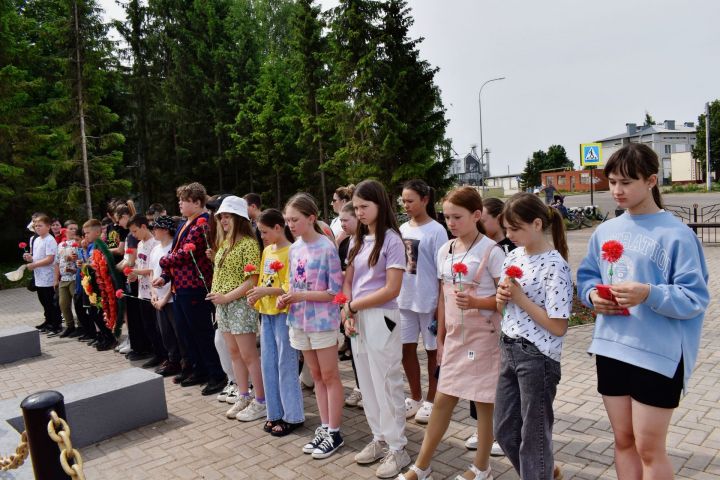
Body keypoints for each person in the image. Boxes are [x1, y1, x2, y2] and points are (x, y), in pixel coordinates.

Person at [577, 144, 709, 480]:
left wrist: (648, 293)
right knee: (623, 440)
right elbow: (588, 276)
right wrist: (593, 296)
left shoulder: (677, 234)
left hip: (658, 355)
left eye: (626, 182)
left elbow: (695, 297)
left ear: (651, 181)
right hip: (611, 348)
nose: (617, 190)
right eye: (612, 182)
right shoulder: (605, 230)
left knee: (650, 448)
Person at [399, 186, 504, 480]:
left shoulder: (492, 251)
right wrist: (441, 336)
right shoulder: (447, 248)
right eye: (447, 217)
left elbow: (505, 300)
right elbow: (446, 296)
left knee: (484, 403)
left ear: (477, 215)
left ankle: (481, 468)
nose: (451, 223)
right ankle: (421, 466)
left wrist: (477, 302)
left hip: (484, 337)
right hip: (455, 339)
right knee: (443, 400)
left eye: (457, 217)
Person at [495, 192, 572, 480]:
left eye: (515, 228)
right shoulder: (513, 256)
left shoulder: (555, 265)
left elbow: (559, 326)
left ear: (537, 224)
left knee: (534, 436)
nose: (509, 235)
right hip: (509, 348)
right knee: (504, 431)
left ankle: (541, 472)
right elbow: (500, 307)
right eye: (507, 229)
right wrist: (502, 297)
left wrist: (520, 298)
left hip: (538, 357)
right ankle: (545, 472)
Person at [341, 180, 410, 478]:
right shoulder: (358, 240)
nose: (360, 213)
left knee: (386, 382)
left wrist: (355, 306)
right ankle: (379, 438)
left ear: (380, 205)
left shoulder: (392, 240)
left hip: (381, 316)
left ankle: (399, 448)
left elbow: (392, 289)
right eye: (356, 208)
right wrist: (347, 307)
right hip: (357, 316)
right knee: (367, 383)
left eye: (364, 207)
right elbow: (348, 278)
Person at [277, 193, 344, 459]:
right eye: (287, 220)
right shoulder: (294, 248)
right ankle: (325, 426)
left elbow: (335, 293)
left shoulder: (327, 247)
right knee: (315, 376)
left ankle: (335, 431)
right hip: (299, 320)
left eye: (295, 219)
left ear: (311, 218)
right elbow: (295, 285)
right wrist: (286, 298)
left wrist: (300, 295)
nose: (290, 225)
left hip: (323, 321)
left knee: (329, 376)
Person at [154, 182, 227, 396]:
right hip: (180, 286)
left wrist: (163, 262)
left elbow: (187, 255)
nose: (180, 204)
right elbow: (178, 252)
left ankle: (216, 374)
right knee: (186, 333)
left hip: (194, 286)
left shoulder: (203, 224)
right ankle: (199, 369)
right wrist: (165, 277)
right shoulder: (187, 223)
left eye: (183, 201)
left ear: (196, 202)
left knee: (201, 332)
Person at [206, 196, 266, 421]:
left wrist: (225, 296)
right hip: (224, 306)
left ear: (239, 218)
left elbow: (252, 280)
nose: (223, 220)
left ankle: (260, 400)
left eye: (227, 216)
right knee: (233, 352)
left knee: (249, 355)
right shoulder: (225, 243)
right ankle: (244, 394)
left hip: (240, 305)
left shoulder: (249, 244)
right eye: (221, 216)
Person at [247, 208, 305, 436]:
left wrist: (264, 291)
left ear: (278, 228)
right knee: (268, 363)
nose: (262, 236)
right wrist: (257, 297)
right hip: (267, 313)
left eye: (264, 232)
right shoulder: (267, 251)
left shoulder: (292, 251)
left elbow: (292, 287)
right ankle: (275, 413)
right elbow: (263, 280)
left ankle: (293, 415)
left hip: (284, 313)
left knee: (285, 364)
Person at [466, 197, 515, 456]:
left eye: (483, 219)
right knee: (478, 378)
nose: (479, 224)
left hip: (500, 324)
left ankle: (499, 430)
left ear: (499, 218)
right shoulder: (478, 246)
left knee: (497, 381)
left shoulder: (506, 249)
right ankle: (484, 429)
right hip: (476, 326)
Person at [397, 180, 447, 425]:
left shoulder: (437, 230)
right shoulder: (402, 228)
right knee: (406, 349)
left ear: (425, 200)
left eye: (410, 201)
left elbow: (442, 272)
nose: (406, 205)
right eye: (403, 201)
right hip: (404, 301)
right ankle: (415, 397)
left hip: (428, 301)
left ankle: (431, 399)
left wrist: (441, 305)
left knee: (431, 352)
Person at [127, 214, 166, 369]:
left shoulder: (155, 243)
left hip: (155, 291)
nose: (134, 235)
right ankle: (156, 353)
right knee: (148, 326)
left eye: (135, 231)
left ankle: (164, 355)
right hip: (142, 291)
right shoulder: (140, 244)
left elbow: (153, 269)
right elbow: (140, 264)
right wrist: (133, 275)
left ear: (144, 226)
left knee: (157, 327)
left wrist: (136, 272)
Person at [149, 215, 183, 377]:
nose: (153, 231)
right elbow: (152, 272)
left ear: (164, 230)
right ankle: (172, 360)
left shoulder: (173, 248)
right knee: (165, 334)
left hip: (171, 298)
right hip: (159, 298)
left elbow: (174, 276)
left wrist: (164, 298)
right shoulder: (155, 249)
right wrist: (154, 294)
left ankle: (183, 362)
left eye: (155, 228)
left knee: (178, 332)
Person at [337, 202, 362, 407]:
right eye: (341, 220)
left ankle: (364, 388)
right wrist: (346, 306)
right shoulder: (346, 242)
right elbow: (345, 279)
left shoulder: (366, 242)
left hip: (364, 303)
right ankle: (359, 386)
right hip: (349, 304)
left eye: (346, 220)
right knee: (353, 349)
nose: (342, 224)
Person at [24, 214, 62, 334]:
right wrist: (30, 258)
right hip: (39, 276)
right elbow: (37, 257)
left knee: (51, 301)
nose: (37, 228)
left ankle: (56, 324)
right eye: (35, 226)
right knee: (43, 301)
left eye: (40, 225)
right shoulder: (37, 240)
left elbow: (50, 259)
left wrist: (34, 264)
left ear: (48, 226)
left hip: (49, 276)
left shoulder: (49, 240)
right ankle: (48, 321)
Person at [54, 220, 80, 337]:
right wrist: (55, 279)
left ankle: (81, 326)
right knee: (63, 304)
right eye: (71, 228)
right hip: (63, 279)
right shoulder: (60, 245)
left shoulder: (78, 243)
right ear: (64, 230)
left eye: (75, 228)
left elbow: (82, 259)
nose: (74, 230)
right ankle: (70, 327)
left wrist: (74, 259)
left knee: (78, 303)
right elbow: (56, 262)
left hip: (75, 278)